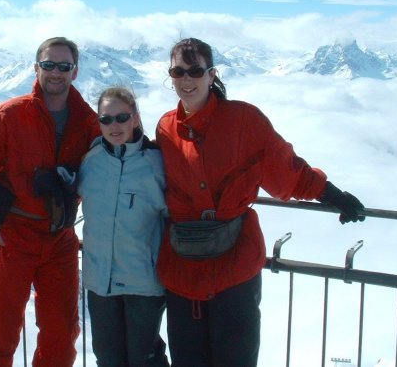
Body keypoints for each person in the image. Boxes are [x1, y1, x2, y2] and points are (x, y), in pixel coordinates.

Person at [155, 38, 366, 367]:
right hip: (185, 273)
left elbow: (285, 169)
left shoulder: (244, 121)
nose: (186, 78)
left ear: (212, 75)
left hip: (234, 268)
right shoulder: (166, 127)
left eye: (195, 70)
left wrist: (331, 194)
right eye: (177, 71)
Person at [0, 37, 100, 367]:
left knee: (61, 335)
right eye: (49, 65)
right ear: (36, 68)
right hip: (11, 237)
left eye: (63, 66)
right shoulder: (7, 116)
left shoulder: (88, 122)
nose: (56, 73)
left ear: (74, 72)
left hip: (59, 238)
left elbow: (114, 160)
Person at [77, 86, 170, 367]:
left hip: (143, 282)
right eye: (106, 119)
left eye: (121, 117)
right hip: (100, 282)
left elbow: (175, 213)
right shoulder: (90, 161)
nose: (114, 126)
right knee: (107, 359)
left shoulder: (156, 163)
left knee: (145, 358)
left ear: (135, 118)